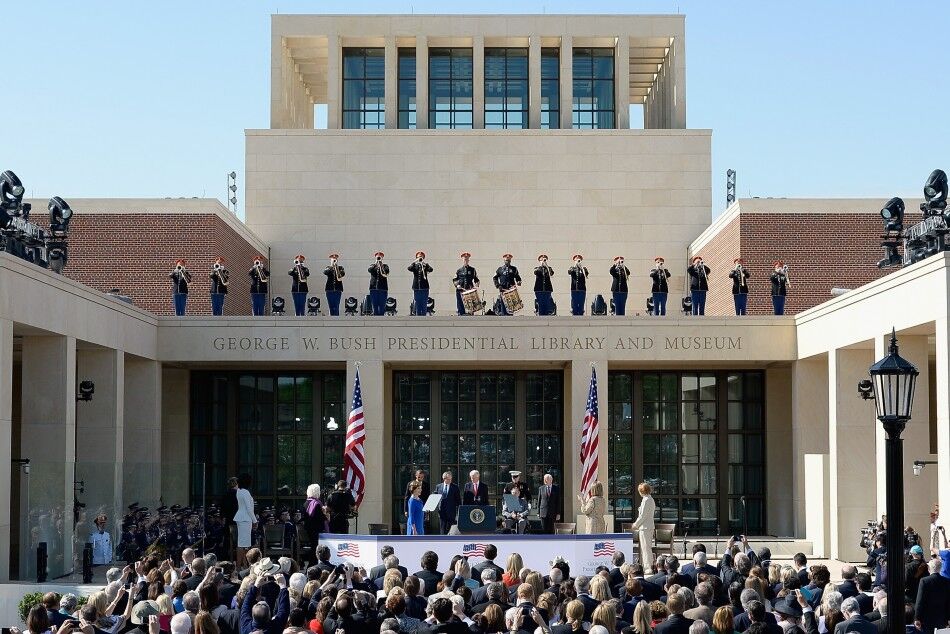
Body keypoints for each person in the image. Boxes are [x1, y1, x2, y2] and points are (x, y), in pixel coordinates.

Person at [914, 549, 950, 634]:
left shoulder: (924, 581)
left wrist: (917, 618)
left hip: (927, 618)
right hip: (942, 617)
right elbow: (948, 601)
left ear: (929, 568)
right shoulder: (947, 582)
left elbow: (920, 601)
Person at [631, 482, 657, 570]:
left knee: (646, 548)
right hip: (647, 526)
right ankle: (648, 566)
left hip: (645, 527)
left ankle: (648, 567)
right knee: (645, 548)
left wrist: (635, 524)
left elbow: (643, 516)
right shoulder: (649, 499)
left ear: (642, 491)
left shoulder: (646, 500)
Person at [233, 474, 256, 569]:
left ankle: (245, 565)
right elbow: (249, 508)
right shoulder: (245, 492)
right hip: (245, 519)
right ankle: (239, 566)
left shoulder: (239, 491)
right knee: (243, 544)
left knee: (244, 544)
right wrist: (255, 520)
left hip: (242, 518)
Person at [453, 252, 480, 316]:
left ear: (468, 260)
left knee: (470, 307)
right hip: (460, 290)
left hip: (469, 290)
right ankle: (461, 314)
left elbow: (476, 279)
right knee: (460, 305)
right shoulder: (459, 270)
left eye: (467, 259)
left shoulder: (473, 270)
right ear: (462, 260)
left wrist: (476, 285)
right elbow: (454, 279)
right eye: (464, 259)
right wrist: (457, 285)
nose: (466, 260)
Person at [435, 471, 462, 535]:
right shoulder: (438, 486)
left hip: (451, 512)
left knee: (451, 530)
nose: (450, 480)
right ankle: (442, 542)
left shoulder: (455, 487)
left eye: (451, 479)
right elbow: (435, 497)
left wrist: (459, 511)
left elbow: (458, 500)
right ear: (444, 478)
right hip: (442, 512)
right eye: (448, 479)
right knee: (442, 529)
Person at [408, 251, 433, 316]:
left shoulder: (425, 265)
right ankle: (418, 317)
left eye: (421, 257)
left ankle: (424, 317)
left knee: (424, 303)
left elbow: (431, 269)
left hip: (424, 288)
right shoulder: (415, 266)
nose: (420, 258)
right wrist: (414, 262)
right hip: (416, 287)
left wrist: (425, 264)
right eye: (419, 257)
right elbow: (409, 268)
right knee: (417, 303)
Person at [303, 483, 327, 548]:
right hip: (316, 532)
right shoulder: (317, 504)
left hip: (308, 530)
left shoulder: (305, 503)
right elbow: (321, 518)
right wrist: (325, 513)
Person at [368, 251, 390, 316]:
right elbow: (370, 270)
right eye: (377, 257)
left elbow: (386, 273)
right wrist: (376, 263)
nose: (379, 258)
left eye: (380, 257)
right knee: (374, 306)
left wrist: (381, 265)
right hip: (373, 289)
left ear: (382, 258)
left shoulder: (385, 266)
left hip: (383, 289)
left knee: (382, 306)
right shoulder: (372, 265)